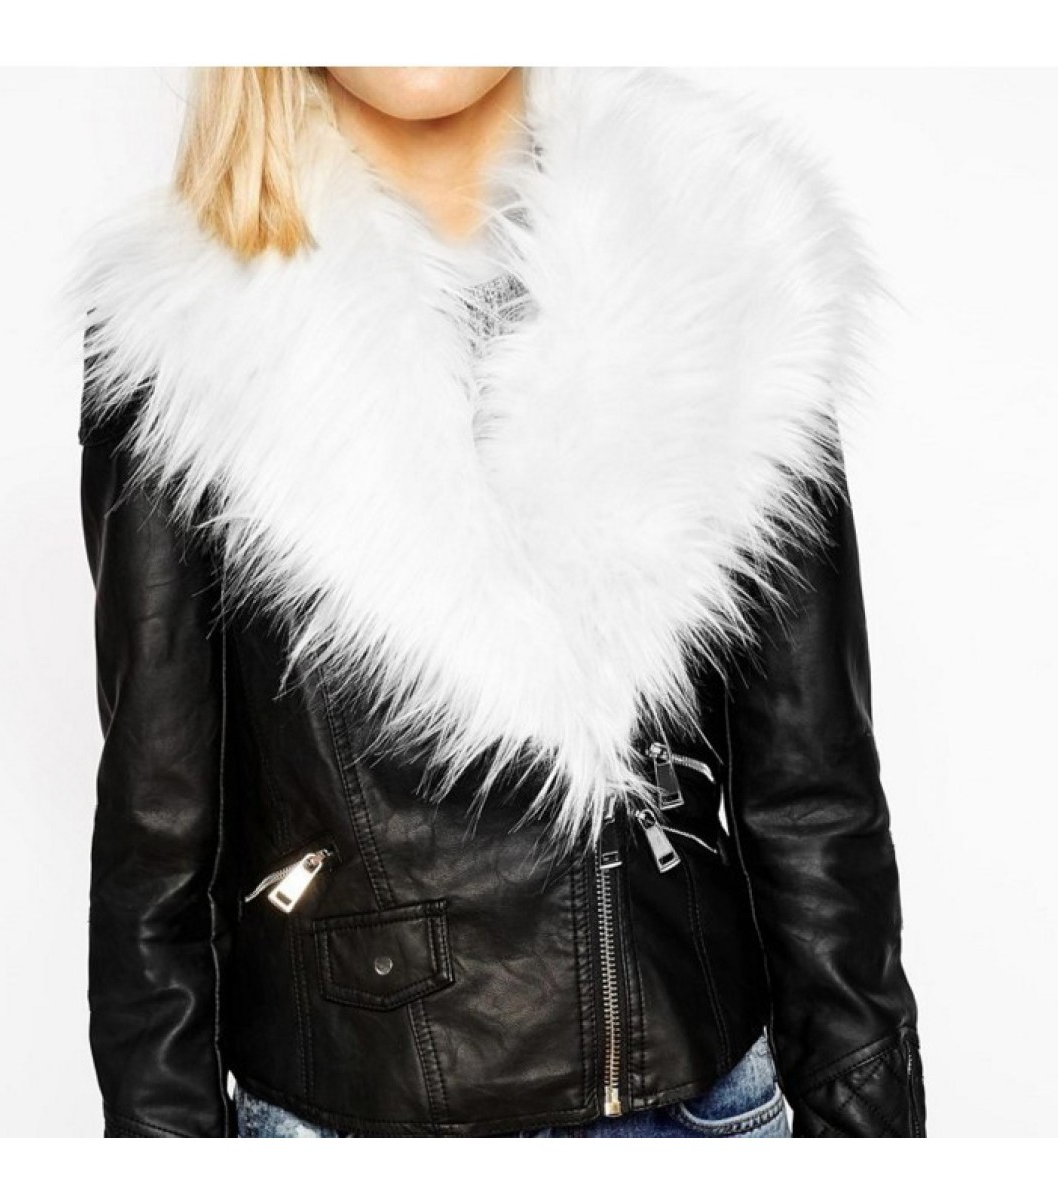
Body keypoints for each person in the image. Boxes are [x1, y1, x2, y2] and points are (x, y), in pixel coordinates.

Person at [67, 66, 926, 1138]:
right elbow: (154, 841)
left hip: (700, 1105)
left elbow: (813, 792)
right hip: (356, 1121)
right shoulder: (188, 331)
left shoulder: (728, 259)